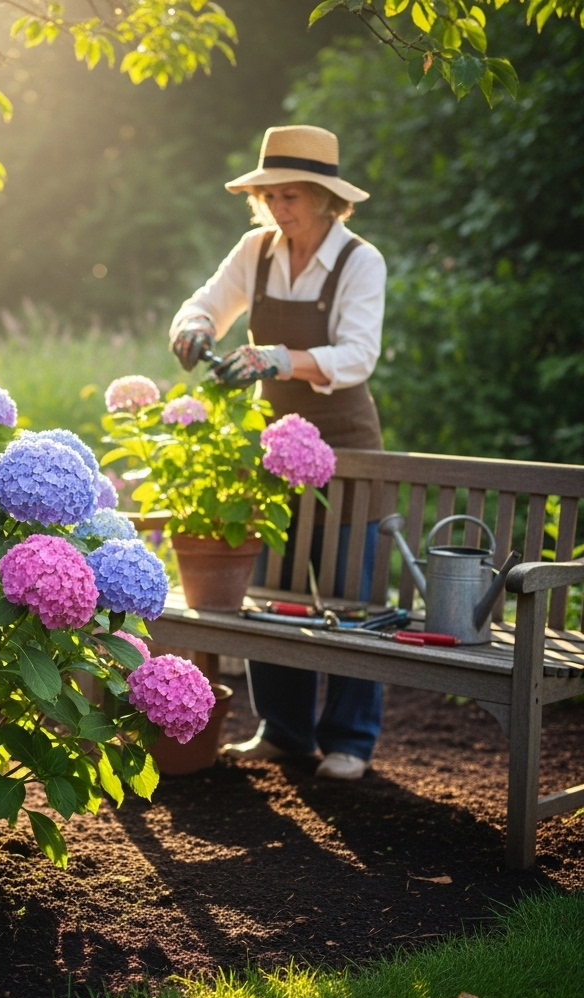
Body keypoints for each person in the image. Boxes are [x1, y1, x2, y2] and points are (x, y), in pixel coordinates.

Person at [169, 125, 385, 781]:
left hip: (344, 445)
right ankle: (286, 731)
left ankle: (349, 740)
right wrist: (194, 324)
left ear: (326, 199)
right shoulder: (255, 250)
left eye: (292, 196)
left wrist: (277, 358)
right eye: (271, 195)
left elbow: (358, 355)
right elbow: (207, 300)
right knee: (273, 588)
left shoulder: (359, 261)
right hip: (271, 445)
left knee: (351, 594)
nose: (279, 207)